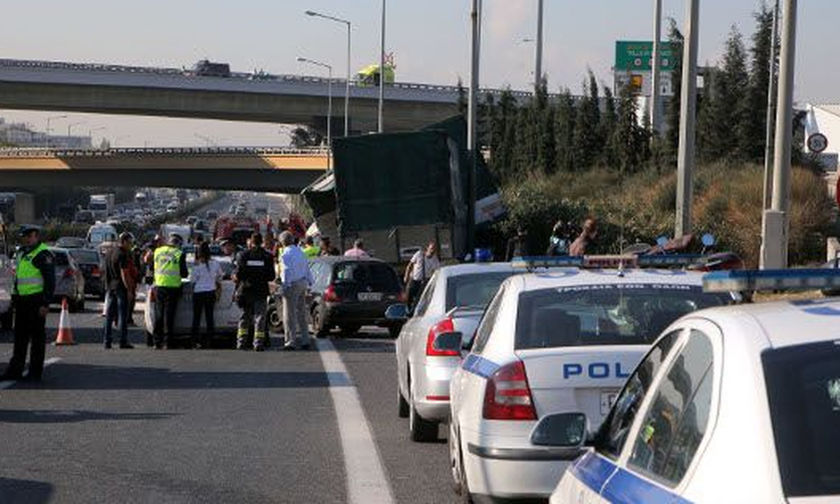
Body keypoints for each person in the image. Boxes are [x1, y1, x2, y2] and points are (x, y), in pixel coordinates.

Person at [0, 225, 55, 382]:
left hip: (36, 301)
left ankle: (35, 372)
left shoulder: (43, 254)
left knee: (37, 338)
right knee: (20, 338)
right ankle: (15, 370)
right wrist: (13, 298)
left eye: (26, 236)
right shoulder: (22, 252)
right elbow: (17, 277)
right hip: (22, 301)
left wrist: (45, 303)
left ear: (34, 235)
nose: (23, 239)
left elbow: (50, 282)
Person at [234, 233, 276, 351]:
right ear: (261, 241)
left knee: (244, 318)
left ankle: (241, 342)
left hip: (246, 290)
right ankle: (258, 344)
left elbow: (239, 274)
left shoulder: (244, 255)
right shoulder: (267, 256)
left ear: (251, 242)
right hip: (261, 291)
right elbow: (271, 276)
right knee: (260, 318)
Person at [152, 234, 188, 349]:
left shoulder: (158, 251)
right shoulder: (179, 254)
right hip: (173, 288)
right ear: (178, 244)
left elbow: (153, 266)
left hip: (159, 286)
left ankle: (157, 341)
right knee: (169, 316)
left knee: (159, 314)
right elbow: (184, 273)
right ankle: (168, 342)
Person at [278, 231, 313, 350]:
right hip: (302, 282)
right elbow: (307, 268)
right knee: (301, 312)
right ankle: (305, 339)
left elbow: (286, 271)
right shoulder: (301, 252)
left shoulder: (285, 254)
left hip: (292, 284)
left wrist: (285, 285)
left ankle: (290, 341)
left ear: (282, 242)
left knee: (289, 314)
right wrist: (310, 282)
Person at [102, 232, 135, 349]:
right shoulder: (122, 254)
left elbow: (105, 270)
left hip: (110, 287)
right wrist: (129, 289)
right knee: (122, 315)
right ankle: (122, 340)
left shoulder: (109, 252)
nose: (131, 246)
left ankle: (107, 340)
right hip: (120, 287)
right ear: (124, 241)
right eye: (130, 243)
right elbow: (124, 273)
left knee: (109, 316)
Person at [190, 242, 221, 349]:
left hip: (198, 293)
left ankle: (194, 341)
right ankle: (210, 341)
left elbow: (192, 280)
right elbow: (219, 276)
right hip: (210, 292)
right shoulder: (215, 263)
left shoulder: (197, 265)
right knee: (209, 317)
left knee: (196, 318)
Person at [404, 241, 440, 308]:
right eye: (431, 248)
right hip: (414, 280)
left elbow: (437, 272)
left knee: (420, 299)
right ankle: (407, 310)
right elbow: (410, 265)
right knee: (409, 297)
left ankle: (416, 310)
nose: (433, 251)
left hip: (424, 282)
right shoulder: (419, 254)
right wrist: (406, 276)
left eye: (435, 249)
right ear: (428, 248)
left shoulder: (435, 260)